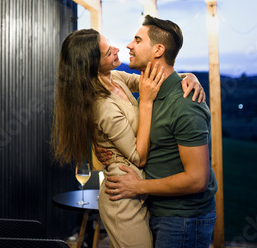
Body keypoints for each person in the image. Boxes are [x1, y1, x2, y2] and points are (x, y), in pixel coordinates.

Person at [51, 28, 205, 248]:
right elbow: (138, 157)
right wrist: (147, 103)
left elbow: (157, 79)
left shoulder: (115, 78)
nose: (117, 49)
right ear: (92, 65)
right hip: (122, 194)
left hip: (139, 189)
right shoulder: (102, 105)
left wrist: (190, 76)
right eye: (107, 53)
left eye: (110, 44)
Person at [97, 15, 218, 248]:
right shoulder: (148, 92)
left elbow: (197, 179)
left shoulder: (185, 104)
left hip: (183, 219)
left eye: (137, 40)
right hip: (157, 210)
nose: (129, 46)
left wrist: (138, 187)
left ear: (159, 50)